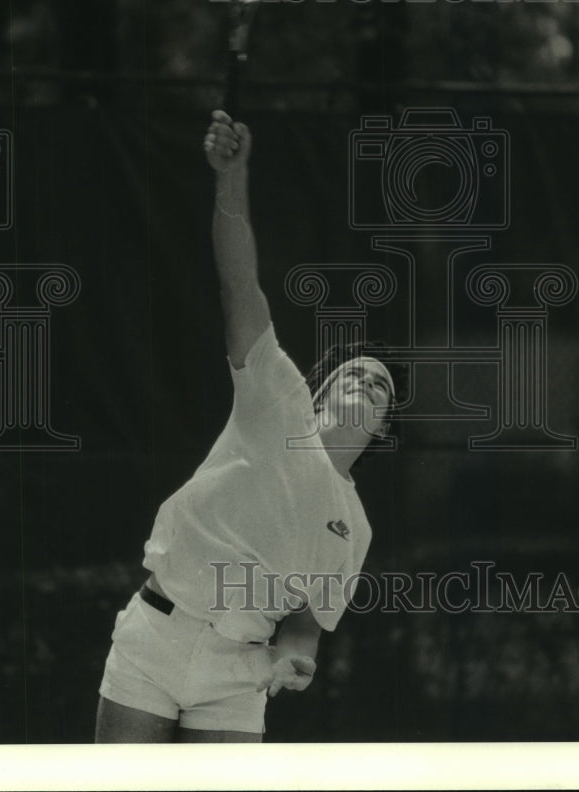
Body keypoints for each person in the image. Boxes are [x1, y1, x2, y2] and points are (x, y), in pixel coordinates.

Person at [95, 109, 399, 743]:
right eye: (354, 372)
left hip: (240, 677)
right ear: (316, 396)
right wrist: (232, 177)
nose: (368, 381)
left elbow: (306, 621)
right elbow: (240, 285)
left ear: (381, 429)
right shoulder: (274, 396)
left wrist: (299, 658)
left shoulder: (356, 529)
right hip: (156, 637)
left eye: (382, 386)